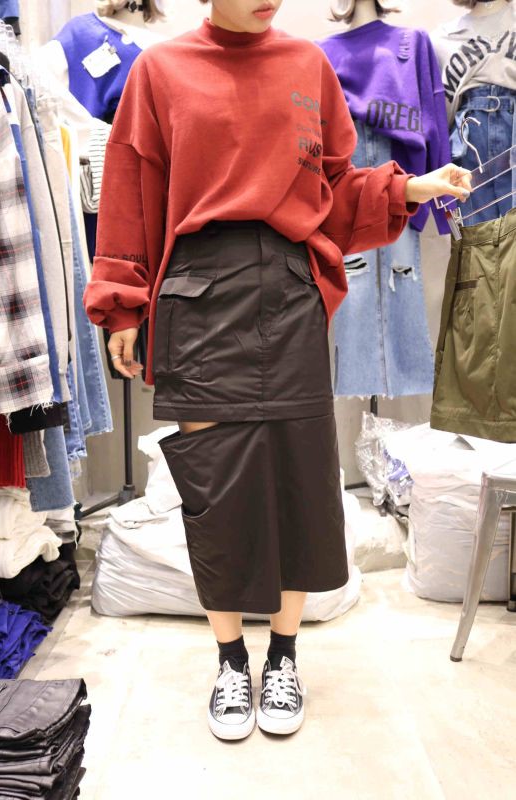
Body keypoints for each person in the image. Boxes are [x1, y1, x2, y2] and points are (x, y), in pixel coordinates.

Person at [84, 0, 472, 741]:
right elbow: (130, 195)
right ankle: (231, 661)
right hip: (198, 293)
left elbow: (333, 190)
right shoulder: (160, 71)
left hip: (290, 291)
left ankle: (285, 656)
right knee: (215, 490)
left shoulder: (306, 64)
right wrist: (122, 303)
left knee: (301, 480)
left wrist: (408, 189)